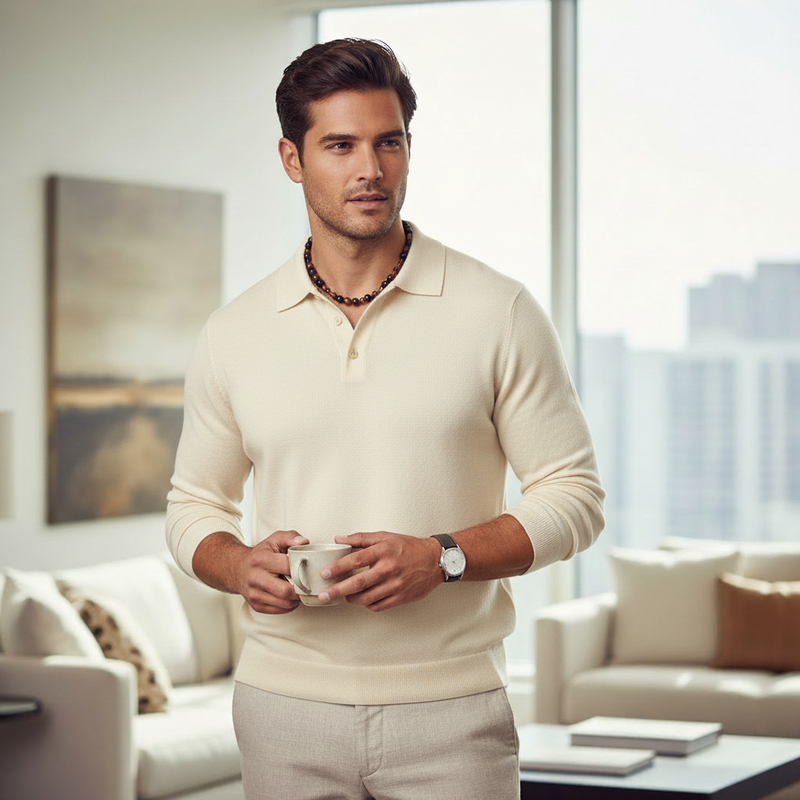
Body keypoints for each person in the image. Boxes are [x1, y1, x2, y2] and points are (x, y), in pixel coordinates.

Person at [166, 37, 604, 800]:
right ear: (292, 159)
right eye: (340, 146)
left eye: (389, 142)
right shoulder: (234, 332)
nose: (370, 169)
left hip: (453, 714)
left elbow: (575, 497)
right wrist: (237, 566)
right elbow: (193, 504)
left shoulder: (498, 310)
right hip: (281, 711)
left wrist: (443, 557)